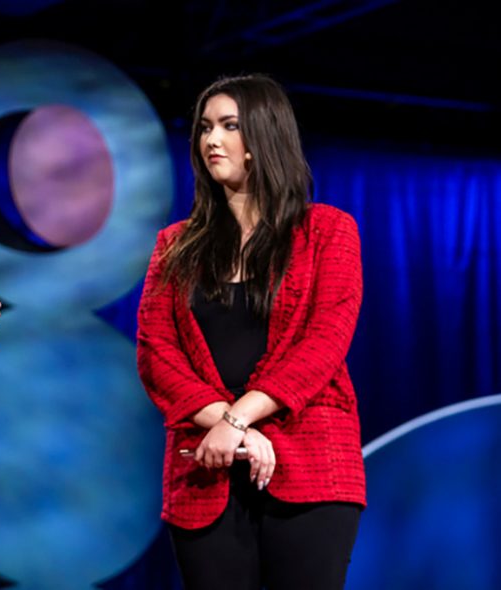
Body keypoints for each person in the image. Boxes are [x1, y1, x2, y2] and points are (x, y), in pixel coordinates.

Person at [136, 74, 366, 590]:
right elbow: (157, 352)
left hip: (311, 465)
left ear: (264, 137)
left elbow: (324, 343)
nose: (211, 139)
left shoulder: (328, 231)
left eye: (229, 126)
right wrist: (227, 426)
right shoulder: (174, 245)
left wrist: (238, 421)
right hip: (204, 466)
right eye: (205, 127)